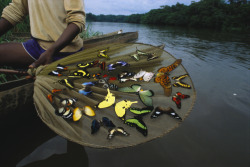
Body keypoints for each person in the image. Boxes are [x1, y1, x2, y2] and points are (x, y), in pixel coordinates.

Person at [0, 0, 85, 68]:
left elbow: (77, 21)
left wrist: (52, 51)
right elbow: (16, 10)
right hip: (37, 45)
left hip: (63, 50)